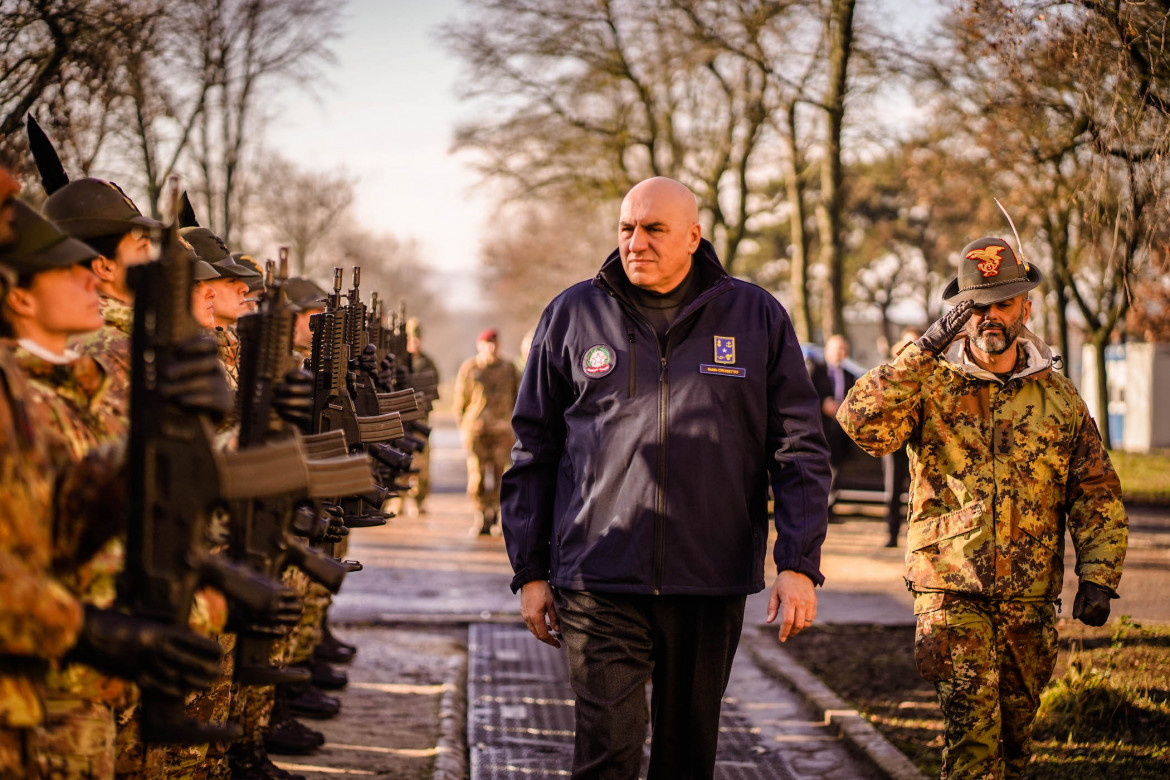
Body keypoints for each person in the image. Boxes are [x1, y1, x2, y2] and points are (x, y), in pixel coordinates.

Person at [501, 177, 831, 779]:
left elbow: (799, 449)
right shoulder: (573, 314)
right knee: (608, 754)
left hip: (709, 579)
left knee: (687, 758)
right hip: (599, 577)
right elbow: (534, 450)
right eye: (627, 228)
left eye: (654, 229)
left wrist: (798, 563)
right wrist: (530, 570)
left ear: (693, 237)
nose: (636, 242)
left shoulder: (755, 316)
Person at [838, 236, 1128, 780]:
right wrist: (924, 348)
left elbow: (1094, 489)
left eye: (1002, 302)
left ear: (1026, 306)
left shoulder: (1059, 398)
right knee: (973, 741)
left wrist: (1098, 574)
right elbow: (859, 423)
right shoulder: (931, 386)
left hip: (1030, 597)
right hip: (950, 591)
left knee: (1015, 748)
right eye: (975, 306)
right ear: (959, 313)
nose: (989, 316)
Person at [453, 327, 519, 536]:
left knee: (502, 475)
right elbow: (460, 401)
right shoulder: (471, 368)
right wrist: (463, 428)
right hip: (477, 431)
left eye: (494, 343)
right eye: (487, 344)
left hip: (502, 431)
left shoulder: (509, 369)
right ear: (479, 345)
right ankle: (481, 514)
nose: (491, 348)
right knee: (477, 477)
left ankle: (498, 515)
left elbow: (518, 399)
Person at [808, 333, 857, 520]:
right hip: (818, 430)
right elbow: (805, 396)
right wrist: (822, 405)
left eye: (843, 349)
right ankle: (815, 510)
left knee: (835, 472)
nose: (840, 352)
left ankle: (829, 510)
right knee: (817, 471)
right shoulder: (815, 370)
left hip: (839, 433)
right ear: (828, 350)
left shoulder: (850, 376)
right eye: (837, 348)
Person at [881, 326, 921, 548]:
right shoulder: (892, 370)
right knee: (893, 490)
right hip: (895, 443)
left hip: (919, 443)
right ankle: (892, 534)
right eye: (907, 343)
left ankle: (914, 537)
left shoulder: (930, 369)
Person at [403, 317, 438, 515]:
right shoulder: (398, 360)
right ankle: (396, 498)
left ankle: (418, 499)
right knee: (397, 458)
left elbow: (434, 389)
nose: (415, 342)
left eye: (417, 338)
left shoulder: (427, 362)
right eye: (411, 338)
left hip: (419, 419)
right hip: (398, 418)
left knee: (421, 462)